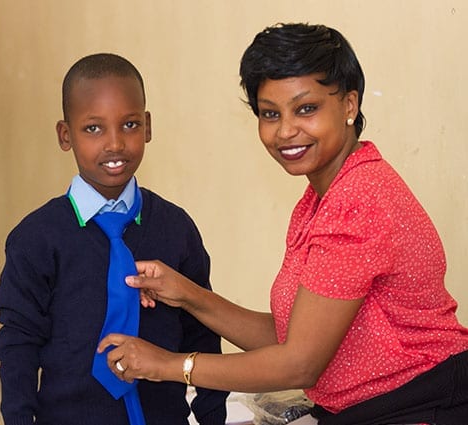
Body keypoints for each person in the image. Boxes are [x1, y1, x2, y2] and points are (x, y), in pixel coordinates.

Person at [97, 24, 468, 425]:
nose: (286, 131)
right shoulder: (321, 198)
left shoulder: (358, 201)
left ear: (349, 104)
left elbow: (299, 364)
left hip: (421, 405)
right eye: (270, 114)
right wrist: (187, 295)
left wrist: (167, 365)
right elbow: (294, 336)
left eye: (306, 108)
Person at [0, 53, 228, 425]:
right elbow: (19, 344)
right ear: (65, 135)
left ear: (148, 126)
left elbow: (202, 333)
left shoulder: (175, 227)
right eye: (94, 129)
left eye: (130, 124)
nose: (115, 143)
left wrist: (212, 418)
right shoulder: (36, 238)